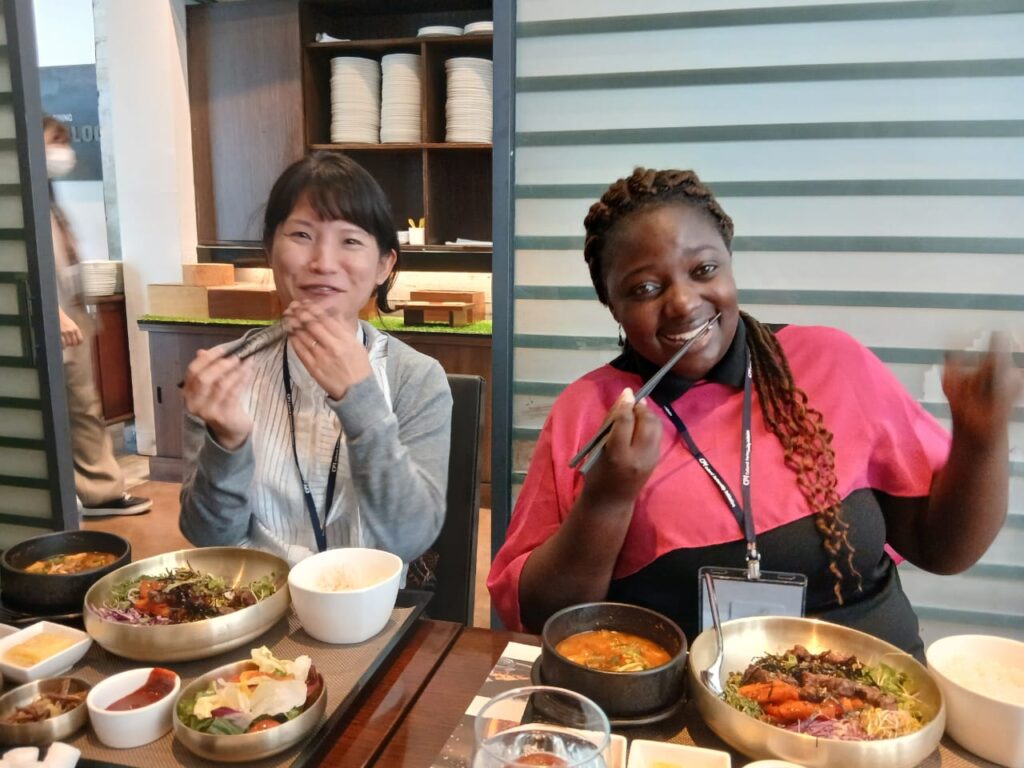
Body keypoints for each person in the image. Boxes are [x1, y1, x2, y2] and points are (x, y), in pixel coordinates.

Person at [488, 168, 1020, 658]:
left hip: (879, 705)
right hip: (683, 709)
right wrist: (608, 497)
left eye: (704, 269)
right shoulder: (589, 413)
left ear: (729, 264)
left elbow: (941, 550)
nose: (683, 302)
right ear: (612, 305)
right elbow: (542, 616)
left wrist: (980, 437)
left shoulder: (831, 362)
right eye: (645, 288)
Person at [179, 152, 452, 569]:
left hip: (365, 601)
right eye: (302, 235)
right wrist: (227, 441)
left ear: (384, 265)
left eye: (350, 241)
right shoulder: (224, 373)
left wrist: (361, 402)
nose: (323, 263)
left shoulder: (414, 378)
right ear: (270, 250)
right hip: (252, 598)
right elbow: (207, 537)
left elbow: (408, 539)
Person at [43, 116, 151, 516]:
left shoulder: (47, 198)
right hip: (53, 319)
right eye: (55, 141)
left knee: (84, 409)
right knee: (75, 411)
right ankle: (98, 494)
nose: (63, 151)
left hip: (71, 317)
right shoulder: (20, 202)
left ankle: (99, 493)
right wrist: (53, 312)